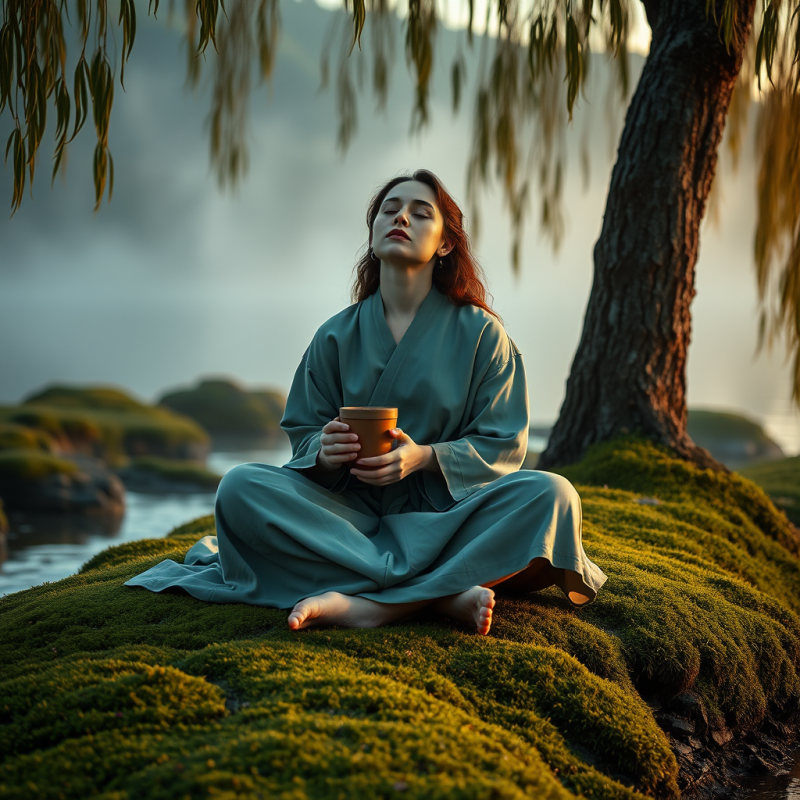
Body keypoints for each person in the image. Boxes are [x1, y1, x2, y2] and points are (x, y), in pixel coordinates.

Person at [125, 169, 607, 635]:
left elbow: (502, 446)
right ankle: (438, 596)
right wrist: (323, 449)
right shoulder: (335, 335)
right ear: (373, 231)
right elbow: (304, 433)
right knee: (238, 487)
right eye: (389, 210)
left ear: (445, 243)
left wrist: (423, 457)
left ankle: (370, 607)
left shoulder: (482, 334)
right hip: (345, 520)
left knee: (552, 495)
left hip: (443, 520)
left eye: (420, 213)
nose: (400, 218)